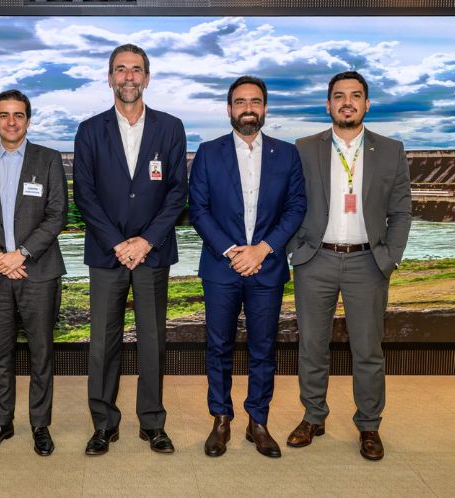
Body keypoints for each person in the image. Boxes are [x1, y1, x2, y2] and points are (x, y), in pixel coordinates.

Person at [286, 70, 412, 461]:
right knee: (311, 346)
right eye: (339, 96)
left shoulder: (390, 149)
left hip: (368, 263)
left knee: (368, 350)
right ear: (328, 105)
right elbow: (288, 203)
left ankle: (369, 425)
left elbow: (401, 211)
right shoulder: (304, 148)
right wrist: (295, 250)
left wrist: (389, 259)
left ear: (366, 104)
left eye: (355, 96)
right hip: (315, 260)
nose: (347, 102)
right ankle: (313, 416)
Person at [73, 44, 188, 455]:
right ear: (109, 78)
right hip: (107, 254)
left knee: (153, 340)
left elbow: (177, 193)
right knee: (104, 342)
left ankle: (152, 424)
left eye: (136, 70)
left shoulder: (171, 127)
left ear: (147, 78)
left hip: (153, 253)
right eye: (120, 70)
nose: (128, 77)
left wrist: (145, 241)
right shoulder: (89, 129)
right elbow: (84, 195)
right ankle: (104, 424)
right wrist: (119, 243)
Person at [189, 76, 306, 458]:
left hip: (267, 268)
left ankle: (258, 422)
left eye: (255, 101)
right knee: (219, 347)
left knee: (263, 349)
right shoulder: (208, 152)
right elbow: (199, 210)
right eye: (240, 102)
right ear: (229, 109)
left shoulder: (287, 154)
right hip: (221, 269)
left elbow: (296, 208)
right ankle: (221, 420)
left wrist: (263, 250)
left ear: (265, 108)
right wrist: (231, 251)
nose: (248, 108)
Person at [0, 89, 67, 456]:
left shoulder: (48, 160)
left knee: (41, 354)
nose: (11, 121)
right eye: (4, 115)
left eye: (18, 115)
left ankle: (40, 425)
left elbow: (57, 215)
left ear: (28, 120)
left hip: (38, 272)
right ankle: (2, 423)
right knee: (0, 355)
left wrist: (20, 254)